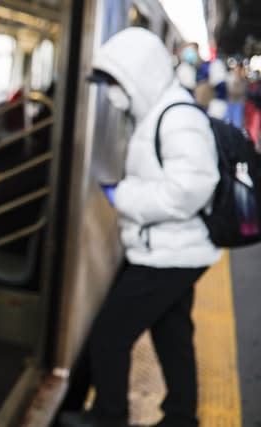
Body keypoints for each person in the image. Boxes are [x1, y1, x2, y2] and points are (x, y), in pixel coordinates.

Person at [60, 27, 221, 427]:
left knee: (110, 336)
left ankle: (109, 417)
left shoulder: (176, 117)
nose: (113, 92)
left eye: (117, 81)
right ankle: (182, 417)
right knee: (173, 337)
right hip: (170, 248)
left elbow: (193, 187)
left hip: (170, 253)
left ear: (140, 74)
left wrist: (124, 196)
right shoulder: (157, 113)